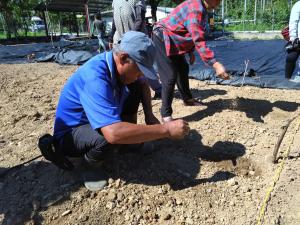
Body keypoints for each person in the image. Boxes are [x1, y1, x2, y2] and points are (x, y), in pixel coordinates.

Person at [38, 31, 190, 190]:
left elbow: (143, 83)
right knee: (109, 136)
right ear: (124, 58)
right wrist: (165, 129)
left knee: (135, 85)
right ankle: (90, 164)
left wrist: (149, 115)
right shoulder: (95, 77)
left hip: (95, 122)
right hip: (72, 134)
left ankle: (127, 143)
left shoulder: (119, 68)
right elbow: (113, 133)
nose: (139, 75)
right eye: (139, 69)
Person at [152, 0, 230, 123]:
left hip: (174, 38)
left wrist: (190, 51)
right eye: (217, 1)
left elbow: (188, 31)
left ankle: (187, 99)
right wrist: (216, 64)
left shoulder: (201, 8)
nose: (218, 3)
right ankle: (166, 114)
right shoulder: (196, 9)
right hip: (162, 36)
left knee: (183, 68)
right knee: (170, 76)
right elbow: (198, 39)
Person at [109, 0, 162, 99]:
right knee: (122, 66)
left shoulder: (137, 1)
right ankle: (125, 91)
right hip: (120, 37)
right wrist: (111, 37)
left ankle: (159, 90)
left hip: (136, 38)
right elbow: (114, 20)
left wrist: (131, 37)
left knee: (143, 65)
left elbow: (140, 19)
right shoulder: (115, 1)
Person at [285, 0, 300, 82]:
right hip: (298, 38)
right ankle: (287, 80)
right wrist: (293, 37)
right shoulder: (298, 5)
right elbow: (293, 21)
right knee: (291, 57)